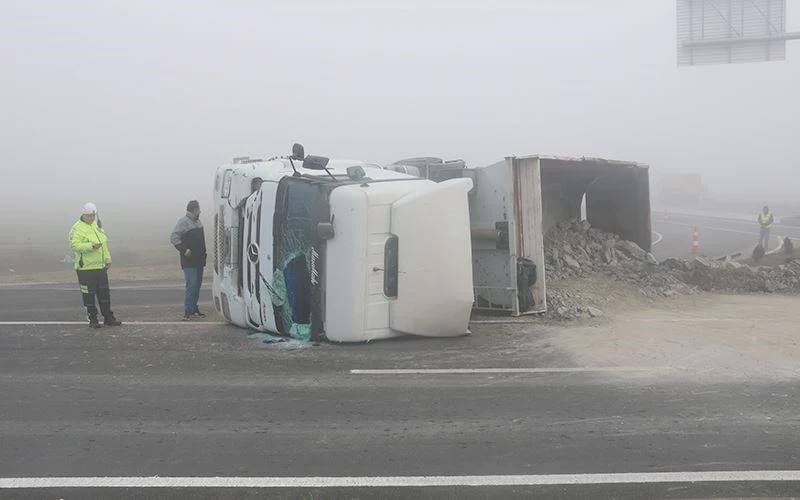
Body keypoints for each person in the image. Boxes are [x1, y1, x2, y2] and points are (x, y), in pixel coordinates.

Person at [69, 202, 122, 328]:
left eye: (93, 215)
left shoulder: (97, 227)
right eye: (89, 216)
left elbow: (104, 245)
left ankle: (108, 317)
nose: (92, 218)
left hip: (100, 268)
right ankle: (93, 319)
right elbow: (74, 245)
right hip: (86, 269)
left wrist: (108, 259)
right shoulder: (77, 228)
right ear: (83, 215)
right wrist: (91, 246)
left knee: (104, 294)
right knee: (89, 295)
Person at [170, 200, 207, 320]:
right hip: (189, 261)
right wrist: (184, 249)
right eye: (198, 209)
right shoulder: (183, 222)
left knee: (197, 285)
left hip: (199, 260)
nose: (200, 211)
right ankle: (187, 310)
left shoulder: (198, 222)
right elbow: (174, 237)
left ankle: (193, 309)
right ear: (194, 210)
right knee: (192, 284)